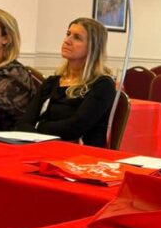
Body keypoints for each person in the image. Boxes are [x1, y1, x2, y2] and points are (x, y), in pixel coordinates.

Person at [14, 18, 116, 146]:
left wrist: (38, 127)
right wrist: (37, 131)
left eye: (77, 37)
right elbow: (24, 122)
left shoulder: (102, 85)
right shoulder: (52, 82)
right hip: (43, 146)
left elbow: (75, 128)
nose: (67, 40)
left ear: (93, 47)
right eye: (68, 34)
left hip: (81, 152)